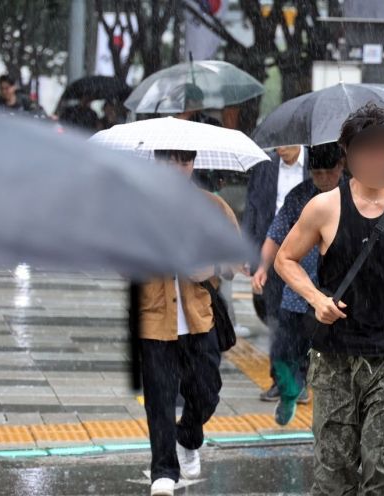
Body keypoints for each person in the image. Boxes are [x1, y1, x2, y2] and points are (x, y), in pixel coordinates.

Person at [275, 103, 384, 495]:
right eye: (370, 149)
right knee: (333, 470)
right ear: (349, 154)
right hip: (334, 357)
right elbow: (285, 259)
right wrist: (315, 298)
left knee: (383, 466)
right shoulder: (325, 207)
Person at [142, 149, 239, 496]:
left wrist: (210, 268)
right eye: (169, 161)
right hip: (154, 319)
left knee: (206, 391)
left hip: (200, 318)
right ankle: (163, 471)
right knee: (160, 398)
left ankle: (189, 436)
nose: (177, 168)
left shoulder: (211, 206)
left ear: (193, 164)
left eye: (184, 161)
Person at [251, 143, 346, 425]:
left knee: (326, 351)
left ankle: (319, 393)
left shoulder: (354, 196)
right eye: (317, 173)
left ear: (341, 166)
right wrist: (262, 268)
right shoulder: (301, 195)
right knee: (284, 344)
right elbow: (276, 233)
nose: (323, 179)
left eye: (328, 172)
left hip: (336, 290)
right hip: (297, 288)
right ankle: (290, 388)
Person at [243, 144, 310, 401]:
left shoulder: (316, 164)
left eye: (287, 144)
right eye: (278, 145)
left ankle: (300, 379)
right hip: (271, 253)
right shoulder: (265, 166)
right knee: (276, 320)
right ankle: (280, 379)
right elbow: (253, 207)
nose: (281, 149)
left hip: (306, 255)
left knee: (302, 320)